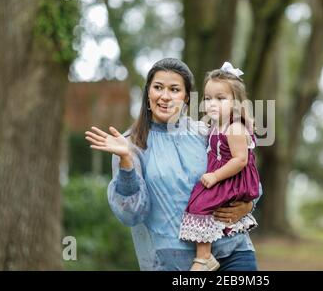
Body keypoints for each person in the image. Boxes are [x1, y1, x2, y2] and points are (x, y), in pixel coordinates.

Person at [84, 58, 261, 270]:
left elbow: (247, 175)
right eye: (158, 87)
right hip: (174, 261)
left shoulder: (205, 132)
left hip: (233, 252)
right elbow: (131, 213)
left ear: (186, 97)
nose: (165, 96)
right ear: (148, 93)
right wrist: (126, 162)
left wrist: (247, 205)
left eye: (174, 89)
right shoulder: (130, 144)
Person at [179, 62, 260, 271]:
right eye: (207, 99)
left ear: (236, 103)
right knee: (200, 202)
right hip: (226, 176)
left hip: (232, 179)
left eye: (220, 98)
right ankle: (205, 255)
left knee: (201, 203)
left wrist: (215, 176)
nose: (212, 104)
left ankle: (204, 257)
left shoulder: (234, 127)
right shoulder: (215, 125)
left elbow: (240, 160)